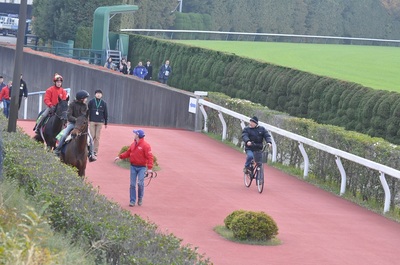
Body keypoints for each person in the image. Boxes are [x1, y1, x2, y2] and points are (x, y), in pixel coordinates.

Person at [54, 90, 97, 162]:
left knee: (90, 139)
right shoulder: (72, 105)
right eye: (85, 98)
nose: (86, 100)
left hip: (81, 126)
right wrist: (77, 120)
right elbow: (69, 115)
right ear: (81, 98)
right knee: (64, 135)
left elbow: (86, 117)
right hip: (72, 124)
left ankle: (91, 154)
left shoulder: (85, 106)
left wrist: (83, 122)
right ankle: (57, 150)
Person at [114, 129, 154, 207]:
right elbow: (128, 153)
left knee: (140, 183)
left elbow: (150, 157)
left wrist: (149, 168)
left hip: (142, 168)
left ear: (138, 135)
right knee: (132, 184)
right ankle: (132, 201)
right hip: (133, 166)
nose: (134, 134)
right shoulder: (133, 144)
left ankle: (140, 198)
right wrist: (120, 156)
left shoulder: (146, 146)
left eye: (135, 133)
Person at [88, 89, 108, 156]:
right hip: (92, 121)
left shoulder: (104, 103)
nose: (98, 94)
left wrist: (106, 122)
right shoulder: (91, 102)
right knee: (91, 136)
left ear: (101, 95)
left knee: (97, 137)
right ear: (95, 94)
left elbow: (106, 113)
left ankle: (95, 151)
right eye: (97, 93)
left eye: (100, 93)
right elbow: (88, 111)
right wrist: (87, 119)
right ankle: (89, 149)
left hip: (100, 122)